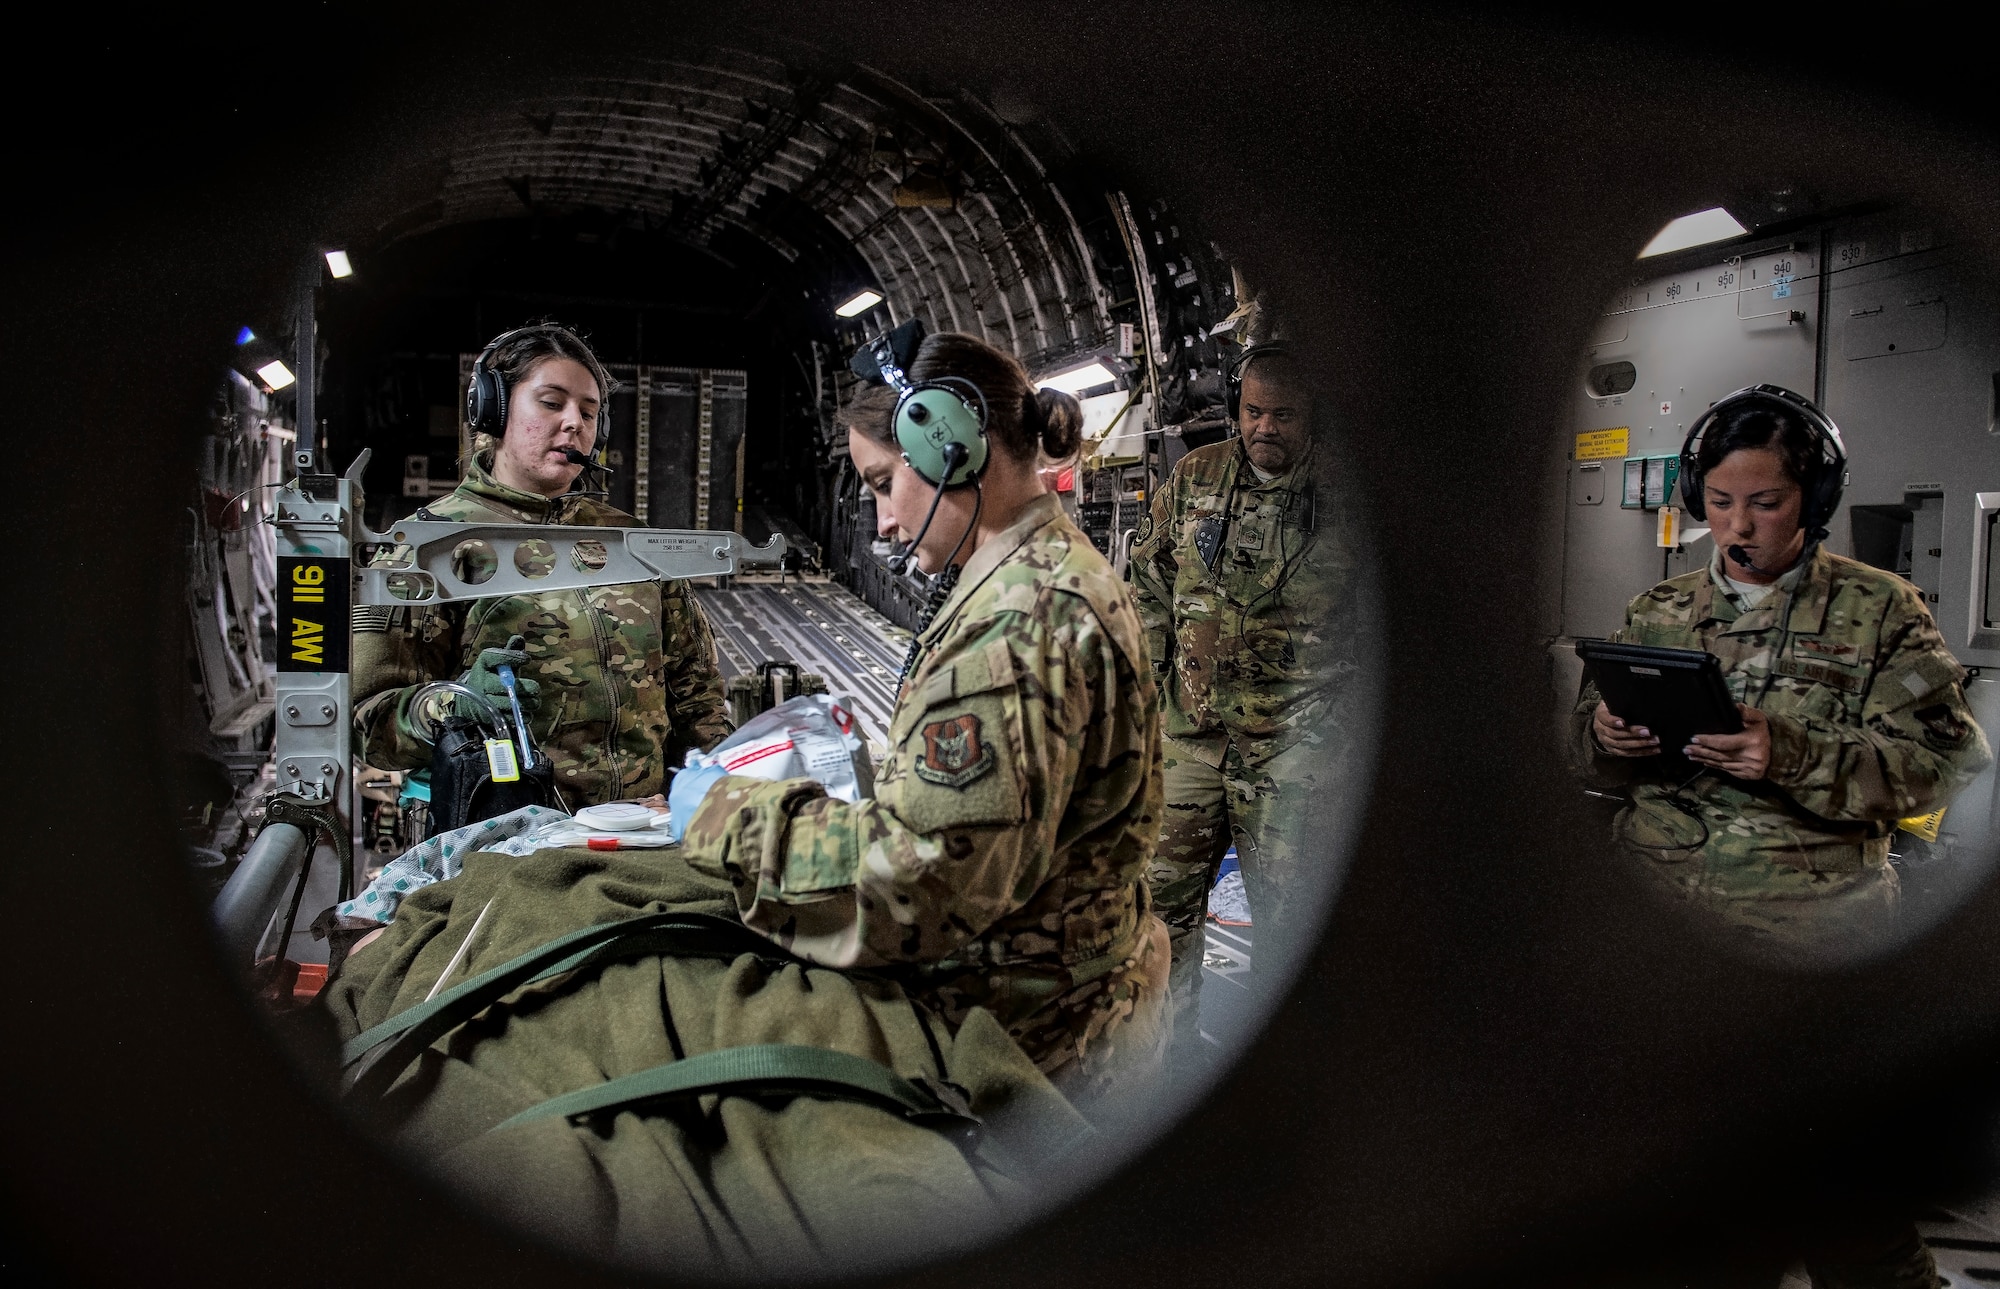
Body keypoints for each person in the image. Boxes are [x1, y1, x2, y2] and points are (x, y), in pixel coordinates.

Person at [673, 330, 1170, 1102]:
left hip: (1030, 1056)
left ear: (949, 449)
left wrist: (722, 817)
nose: (880, 523)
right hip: (1078, 1021)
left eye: (880, 482)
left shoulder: (1018, 620)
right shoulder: (1050, 570)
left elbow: (917, 886)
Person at [1572, 384, 1989, 952]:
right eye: (1719, 502)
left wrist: (1792, 754)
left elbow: (1947, 763)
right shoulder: (1655, 609)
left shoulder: (1883, 611)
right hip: (1653, 913)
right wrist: (1602, 735)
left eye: (1764, 504)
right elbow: (1585, 757)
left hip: (1805, 930)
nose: (1738, 526)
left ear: (1813, 501)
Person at [352, 323, 733, 809]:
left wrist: (700, 794)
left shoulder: (630, 542)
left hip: (643, 835)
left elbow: (696, 693)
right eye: (552, 403)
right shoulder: (429, 548)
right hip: (506, 847)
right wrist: (455, 704)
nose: (575, 423)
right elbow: (369, 724)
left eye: (590, 413)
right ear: (492, 410)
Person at [1131, 342, 1358, 1068]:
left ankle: (1278, 1078)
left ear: (1310, 414)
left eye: (1282, 415)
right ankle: (1170, 1071)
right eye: (1252, 411)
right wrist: (1147, 690)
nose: (1264, 427)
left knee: (1293, 928)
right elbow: (1149, 585)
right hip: (1192, 737)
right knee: (1162, 912)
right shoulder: (1196, 476)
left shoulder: (1347, 498)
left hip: (1296, 750)